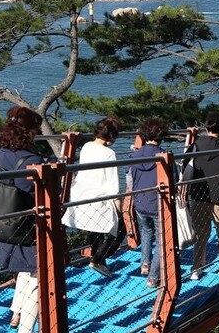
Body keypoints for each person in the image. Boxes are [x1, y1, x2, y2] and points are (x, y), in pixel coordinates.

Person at [0, 106, 44, 333]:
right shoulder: (32, 160)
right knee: (36, 273)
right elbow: (39, 194)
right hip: (29, 226)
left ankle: (16, 313)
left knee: (25, 270)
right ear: (29, 132)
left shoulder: (0, 154)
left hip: (4, 221)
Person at [62, 116, 123, 278]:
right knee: (120, 229)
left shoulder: (87, 146)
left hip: (81, 195)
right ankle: (97, 259)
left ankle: (99, 262)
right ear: (111, 136)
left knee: (95, 229)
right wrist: (119, 208)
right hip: (100, 197)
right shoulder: (109, 154)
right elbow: (113, 185)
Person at [186, 112, 219, 278]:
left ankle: (196, 267)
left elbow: (185, 165)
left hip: (198, 193)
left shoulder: (196, 145)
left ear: (206, 128)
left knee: (201, 233)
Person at [127, 118, 168, 288]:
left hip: (140, 201)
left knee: (146, 230)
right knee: (161, 239)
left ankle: (145, 263)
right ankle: (153, 277)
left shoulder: (134, 155)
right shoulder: (163, 156)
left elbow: (129, 180)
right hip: (158, 202)